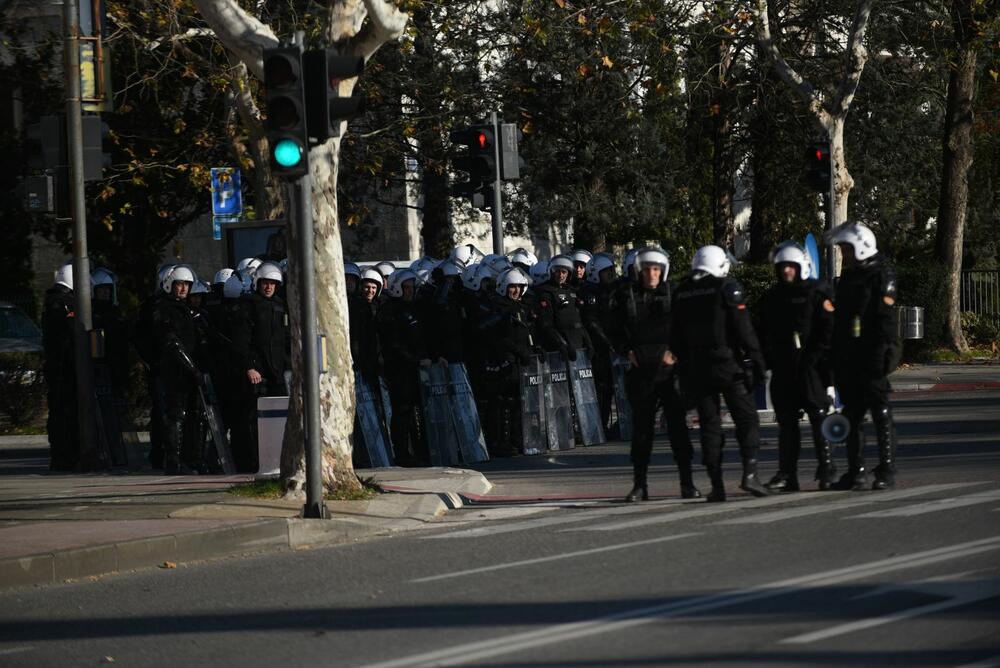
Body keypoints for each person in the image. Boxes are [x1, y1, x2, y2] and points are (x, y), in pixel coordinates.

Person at [672, 245, 769, 502]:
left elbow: (676, 338)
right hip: (727, 363)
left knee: (709, 426)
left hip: (697, 367)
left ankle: (716, 484)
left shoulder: (682, 293)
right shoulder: (727, 288)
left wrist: (684, 373)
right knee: (747, 418)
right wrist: (757, 361)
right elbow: (744, 329)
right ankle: (750, 473)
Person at [613, 247, 700, 501]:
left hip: (669, 373)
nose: (651, 274)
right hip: (641, 373)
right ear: (639, 271)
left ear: (662, 271)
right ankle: (640, 486)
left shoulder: (675, 294)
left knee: (678, 431)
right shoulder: (626, 296)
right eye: (646, 269)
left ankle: (687, 483)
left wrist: (676, 354)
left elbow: (688, 327)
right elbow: (612, 328)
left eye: (655, 269)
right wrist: (626, 351)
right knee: (642, 433)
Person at [827, 222, 902, 491]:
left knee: (880, 410)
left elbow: (885, 319)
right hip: (850, 352)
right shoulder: (849, 277)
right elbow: (841, 318)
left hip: (873, 350)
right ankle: (855, 472)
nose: (844, 255)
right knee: (852, 413)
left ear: (861, 247)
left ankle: (887, 469)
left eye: (847, 249)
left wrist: (885, 352)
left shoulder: (881, 275)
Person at [758, 242, 836, 492]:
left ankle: (827, 469)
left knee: (819, 418)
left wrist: (817, 361)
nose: (786, 271)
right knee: (787, 424)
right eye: (782, 267)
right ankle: (787, 474)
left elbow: (827, 330)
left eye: (791, 267)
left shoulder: (816, 292)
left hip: (810, 367)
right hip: (783, 367)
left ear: (801, 267)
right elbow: (763, 331)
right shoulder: (772, 297)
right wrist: (766, 362)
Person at [232, 261, 290, 472]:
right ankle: (254, 462)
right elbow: (241, 341)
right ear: (258, 282)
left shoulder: (280, 305)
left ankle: (277, 461)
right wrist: (249, 367)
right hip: (257, 372)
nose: (269, 287)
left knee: (281, 417)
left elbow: (285, 340)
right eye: (265, 283)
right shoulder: (248, 305)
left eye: (273, 283)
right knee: (252, 419)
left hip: (278, 373)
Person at [378, 267, 431, 465]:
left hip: (416, 369)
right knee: (402, 411)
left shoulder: (413, 308)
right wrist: (416, 360)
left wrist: (429, 357)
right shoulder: (390, 311)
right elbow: (394, 344)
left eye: (412, 287)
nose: (410, 291)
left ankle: (421, 451)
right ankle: (402, 453)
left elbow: (421, 338)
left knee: (417, 411)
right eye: (406, 287)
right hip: (399, 370)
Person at [152, 264, 201, 475]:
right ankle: (174, 460)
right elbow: (171, 341)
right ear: (169, 284)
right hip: (174, 370)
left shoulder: (184, 309)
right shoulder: (165, 308)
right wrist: (190, 366)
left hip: (186, 371)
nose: (183, 289)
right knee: (176, 415)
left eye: (187, 285)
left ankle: (189, 458)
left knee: (190, 414)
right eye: (179, 284)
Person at [42, 263, 78, 470]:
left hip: (59, 364)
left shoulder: (53, 301)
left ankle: (63, 454)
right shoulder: (61, 303)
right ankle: (63, 455)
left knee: (61, 410)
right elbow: (70, 333)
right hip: (63, 365)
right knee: (64, 411)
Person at [580, 253, 619, 434]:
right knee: (601, 388)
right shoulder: (590, 292)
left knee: (614, 386)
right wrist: (606, 341)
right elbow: (591, 321)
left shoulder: (612, 290)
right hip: (599, 348)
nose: (611, 275)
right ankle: (599, 425)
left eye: (611, 271)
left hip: (613, 343)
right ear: (596, 273)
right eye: (606, 272)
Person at [534, 254, 591, 362]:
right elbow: (546, 324)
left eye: (564, 272)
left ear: (569, 273)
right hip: (558, 348)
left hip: (578, 345)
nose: (560, 275)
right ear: (552, 272)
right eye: (557, 271)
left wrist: (588, 342)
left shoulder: (572, 291)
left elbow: (580, 320)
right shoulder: (545, 292)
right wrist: (562, 344)